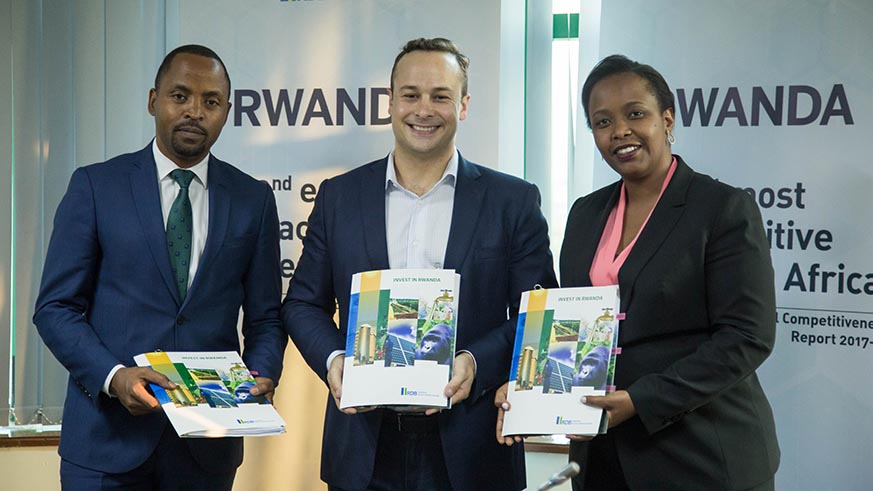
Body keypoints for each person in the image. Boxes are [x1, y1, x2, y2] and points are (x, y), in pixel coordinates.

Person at [282, 37, 557, 490]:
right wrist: (335, 362)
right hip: (363, 450)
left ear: (463, 105)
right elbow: (302, 304)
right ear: (390, 102)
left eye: (440, 96)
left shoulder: (513, 201)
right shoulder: (339, 197)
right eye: (410, 94)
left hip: (472, 450)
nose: (423, 109)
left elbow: (538, 311)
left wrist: (474, 361)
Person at [496, 54, 780, 490]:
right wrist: (527, 389)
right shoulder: (586, 212)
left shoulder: (721, 209)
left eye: (635, 114)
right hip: (602, 457)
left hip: (701, 454)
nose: (620, 132)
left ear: (667, 119)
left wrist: (641, 400)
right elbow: (569, 323)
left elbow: (747, 336)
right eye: (602, 122)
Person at [33, 44, 287, 490]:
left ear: (227, 111)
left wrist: (262, 370)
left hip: (206, 449)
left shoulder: (253, 200)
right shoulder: (95, 186)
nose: (195, 111)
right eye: (180, 96)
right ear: (154, 101)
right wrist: (115, 377)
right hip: (105, 443)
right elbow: (55, 308)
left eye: (211, 102)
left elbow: (266, 316)